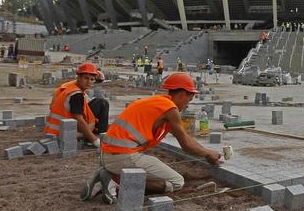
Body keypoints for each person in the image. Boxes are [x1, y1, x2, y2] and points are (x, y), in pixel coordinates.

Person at [82, 73, 222, 204]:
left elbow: (185, 137)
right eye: (189, 99)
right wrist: (208, 153)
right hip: (124, 156)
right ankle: (115, 180)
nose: (187, 105)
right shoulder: (170, 109)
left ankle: (110, 175)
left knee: (154, 167)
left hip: (108, 155)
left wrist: (205, 151)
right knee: (176, 182)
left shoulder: (157, 104)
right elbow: (186, 145)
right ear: (182, 94)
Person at [44, 62, 110, 146]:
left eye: (92, 79)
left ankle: (99, 136)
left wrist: (99, 78)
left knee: (99, 102)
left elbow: (87, 79)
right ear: (78, 77)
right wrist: (95, 140)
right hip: (64, 132)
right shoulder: (76, 94)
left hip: (56, 127)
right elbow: (79, 120)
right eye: (86, 78)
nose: (89, 82)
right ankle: (97, 138)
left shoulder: (70, 86)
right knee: (103, 103)